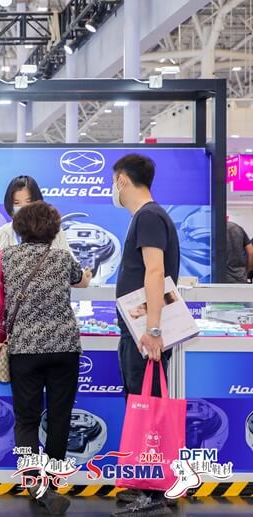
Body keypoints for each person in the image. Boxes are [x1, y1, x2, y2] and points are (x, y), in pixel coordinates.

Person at [0, 201, 92, 515]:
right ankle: (51, 485)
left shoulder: (5, 257)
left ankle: (35, 485)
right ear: (53, 229)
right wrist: (87, 274)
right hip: (64, 348)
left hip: (25, 350)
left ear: (20, 229)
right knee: (60, 417)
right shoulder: (63, 258)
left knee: (26, 419)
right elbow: (83, 281)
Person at [111, 154, 180, 516]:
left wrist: (153, 329)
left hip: (144, 336)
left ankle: (149, 494)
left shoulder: (149, 217)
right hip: (137, 333)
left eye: (113, 181)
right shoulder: (147, 217)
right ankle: (153, 488)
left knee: (146, 412)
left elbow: (155, 272)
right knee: (144, 408)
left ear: (122, 180)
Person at [0, 176, 71, 286]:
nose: (23, 207)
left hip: (48, 295)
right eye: (17, 203)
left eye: (28, 202)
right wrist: (10, 285)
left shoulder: (56, 233)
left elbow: (70, 271)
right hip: (10, 297)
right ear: (10, 206)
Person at [226, 219, 253, 284]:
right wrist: (247, 271)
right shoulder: (237, 228)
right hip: (240, 277)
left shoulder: (213, 229)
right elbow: (251, 252)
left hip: (220, 278)